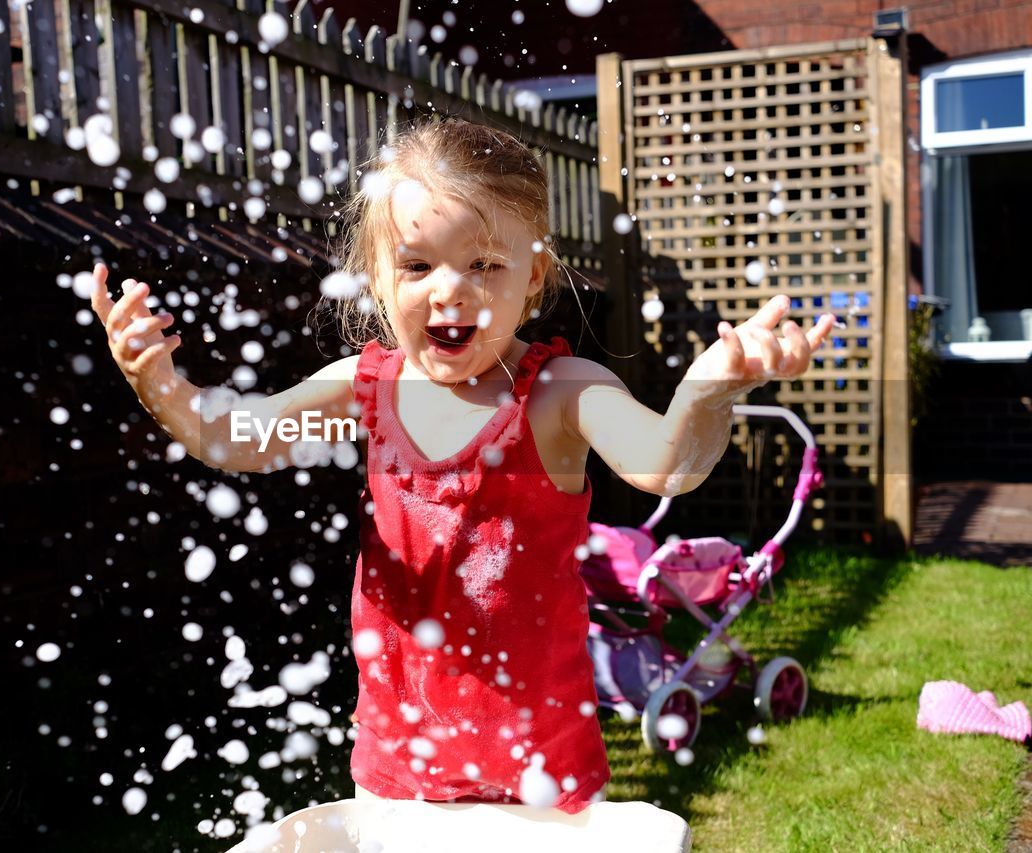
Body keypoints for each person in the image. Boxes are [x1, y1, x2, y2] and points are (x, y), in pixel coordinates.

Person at [87, 118, 835, 814]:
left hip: (542, 773)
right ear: (376, 280)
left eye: (484, 263)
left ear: (533, 278)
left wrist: (710, 392)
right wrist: (157, 380)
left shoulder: (559, 395)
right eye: (416, 264)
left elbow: (666, 467)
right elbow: (234, 438)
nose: (450, 288)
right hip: (397, 768)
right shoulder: (365, 387)